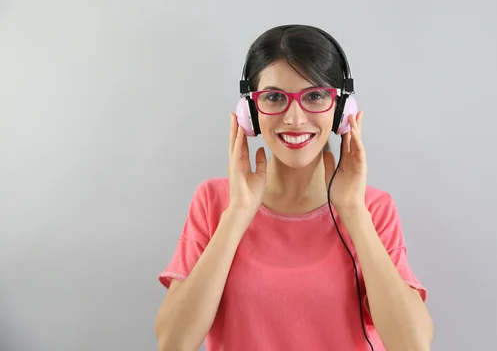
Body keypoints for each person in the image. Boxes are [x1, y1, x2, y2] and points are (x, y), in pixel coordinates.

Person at [154, 24, 434, 351]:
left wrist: (353, 213)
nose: (295, 119)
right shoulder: (214, 202)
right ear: (251, 112)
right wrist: (238, 216)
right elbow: (173, 342)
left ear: (342, 110)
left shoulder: (373, 208)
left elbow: (413, 344)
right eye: (274, 97)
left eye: (315, 96)